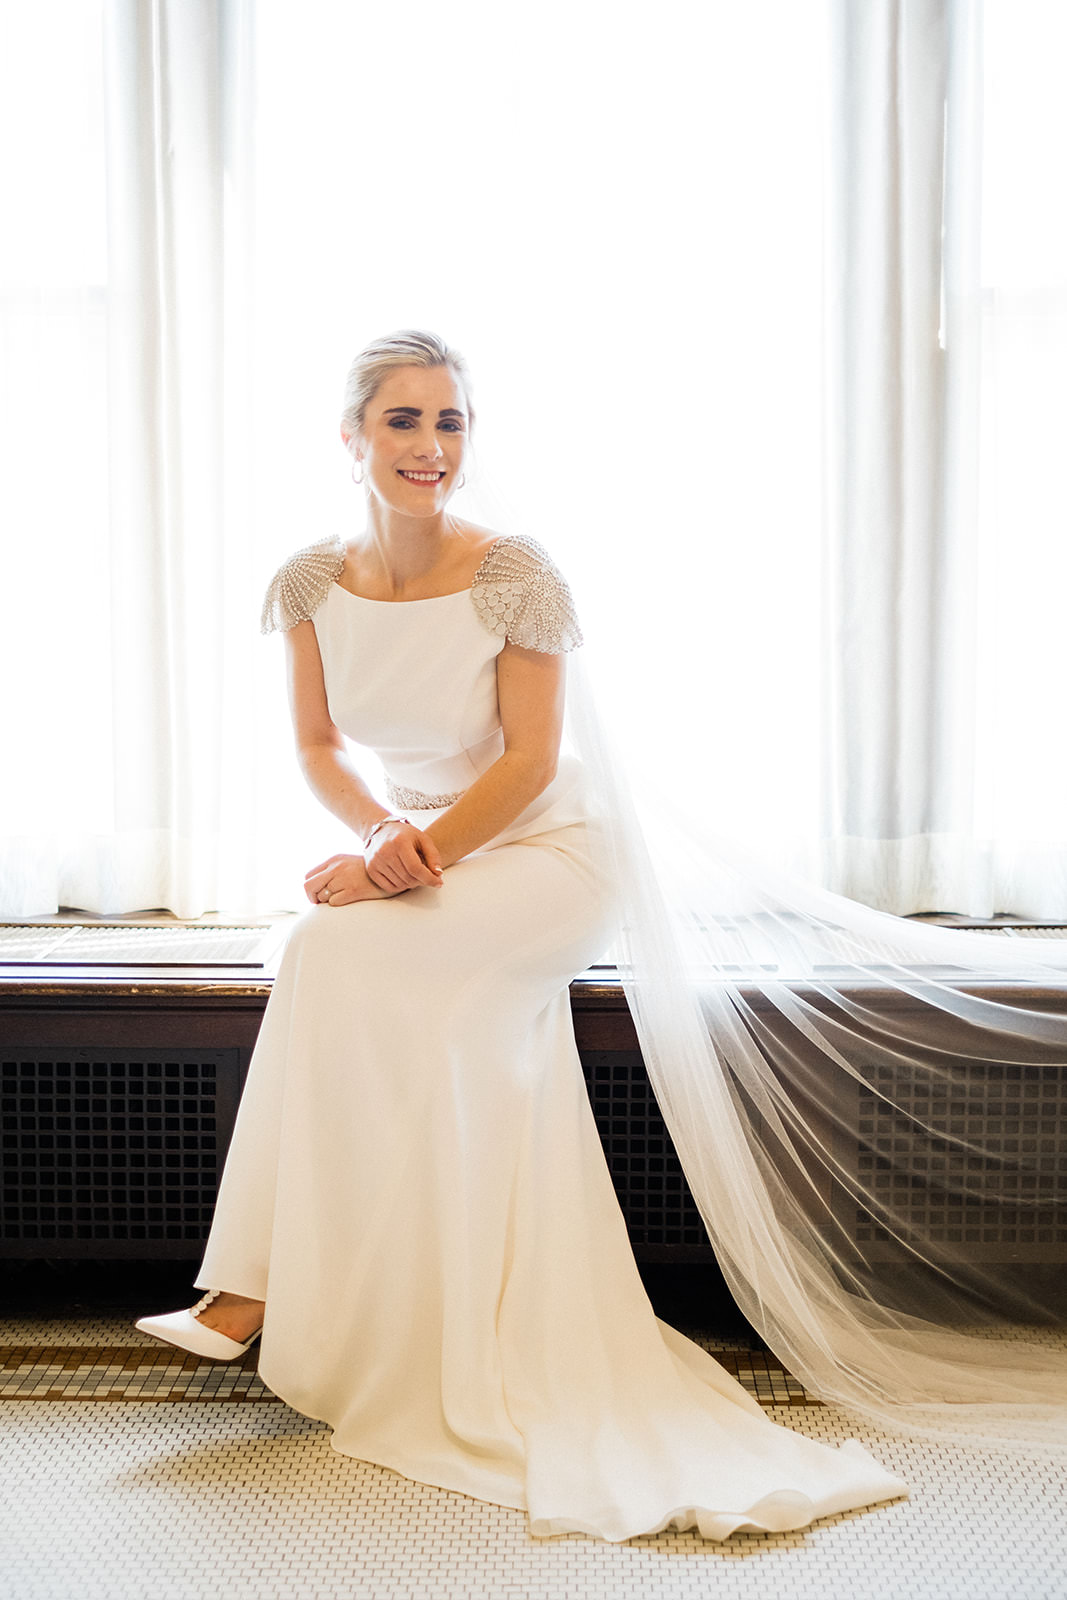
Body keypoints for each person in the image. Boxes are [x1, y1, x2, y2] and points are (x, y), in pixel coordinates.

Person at [135, 329, 912, 1541]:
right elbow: (318, 747)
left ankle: (247, 1289)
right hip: (432, 845)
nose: (430, 445)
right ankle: (348, 1300)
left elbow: (533, 762)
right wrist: (384, 834)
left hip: (549, 853)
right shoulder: (308, 583)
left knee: (329, 949)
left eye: (449, 421)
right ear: (349, 437)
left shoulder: (514, 573)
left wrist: (404, 861)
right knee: (328, 957)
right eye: (402, 420)